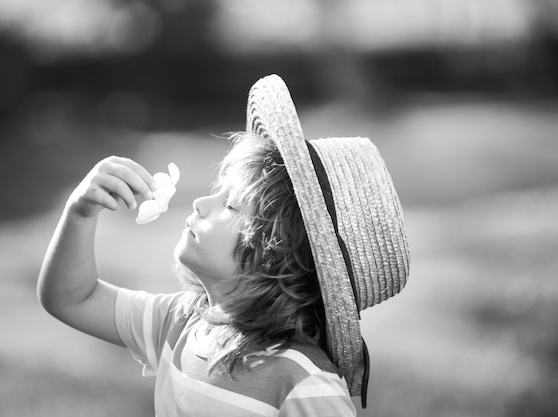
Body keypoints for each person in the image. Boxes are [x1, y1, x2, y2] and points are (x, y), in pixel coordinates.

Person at [37, 74, 410, 416]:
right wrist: (80, 214)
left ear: (276, 256)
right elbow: (72, 298)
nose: (201, 203)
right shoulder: (179, 324)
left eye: (230, 204)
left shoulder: (302, 384)